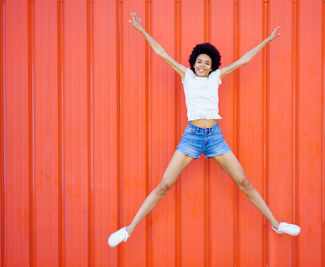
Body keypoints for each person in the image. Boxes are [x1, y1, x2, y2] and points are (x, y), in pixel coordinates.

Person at [108, 11, 300, 248]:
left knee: (244, 182)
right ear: (193, 63)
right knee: (163, 186)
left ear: (213, 66)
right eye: (199, 61)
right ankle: (128, 230)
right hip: (192, 137)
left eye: (207, 62)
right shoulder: (186, 75)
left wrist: (267, 41)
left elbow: (244, 61)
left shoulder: (216, 77)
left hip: (214, 137)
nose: (202, 65)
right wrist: (141, 30)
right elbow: (160, 53)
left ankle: (277, 224)